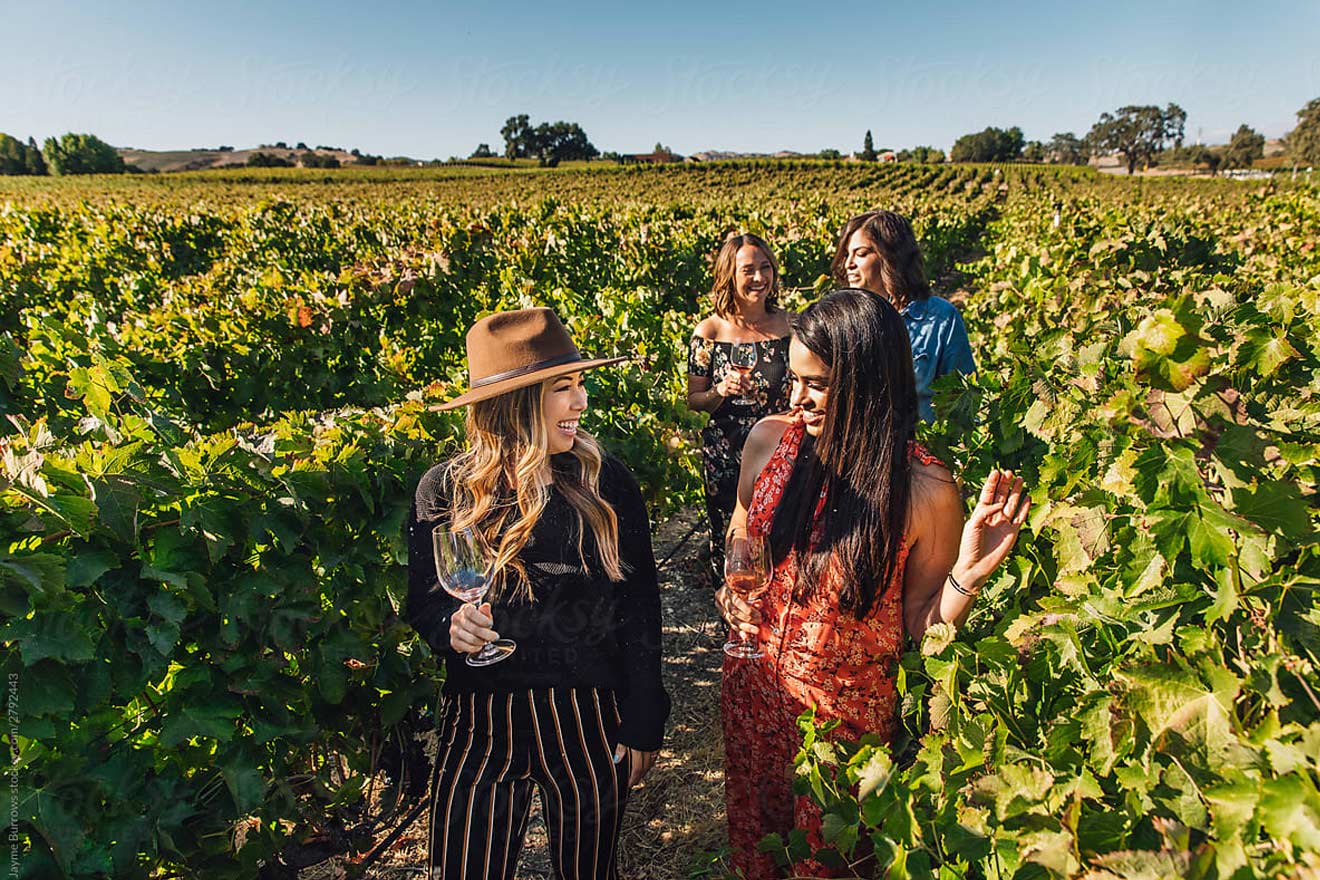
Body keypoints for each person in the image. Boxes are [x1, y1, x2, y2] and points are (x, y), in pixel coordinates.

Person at [715, 289, 1029, 880]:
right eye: (795, 378)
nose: (797, 396)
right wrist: (731, 585)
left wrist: (966, 575)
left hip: (841, 735)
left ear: (868, 381)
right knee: (759, 854)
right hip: (755, 699)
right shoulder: (767, 442)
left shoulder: (924, 490)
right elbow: (741, 523)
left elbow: (916, 625)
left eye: (818, 383)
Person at [406, 308, 670, 880]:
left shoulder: (606, 482)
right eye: (562, 389)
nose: (580, 402)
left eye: (578, 385)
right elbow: (426, 599)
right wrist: (449, 629)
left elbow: (639, 605)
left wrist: (646, 710)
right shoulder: (445, 488)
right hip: (479, 714)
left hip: (586, 712)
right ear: (516, 403)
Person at [687, 232, 792, 583]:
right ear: (729, 274)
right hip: (725, 457)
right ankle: (732, 625)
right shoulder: (710, 332)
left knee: (781, 539)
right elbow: (694, 402)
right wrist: (720, 390)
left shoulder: (789, 327)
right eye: (749, 270)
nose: (760, 278)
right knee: (731, 543)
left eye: (766, 268)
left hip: (780, 453)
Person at [832, 210, 976, 422]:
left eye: (860, 254)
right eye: (846, 255)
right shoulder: (840, 318)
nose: (848, 264)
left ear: (890, 256)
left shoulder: (940, 319)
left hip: (921, 450)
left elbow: (963, 398)